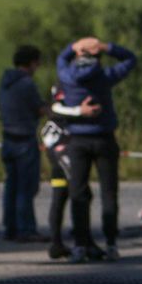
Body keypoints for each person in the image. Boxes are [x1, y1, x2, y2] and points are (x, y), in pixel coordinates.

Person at [57, 36, 137, 263]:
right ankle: (111, 243)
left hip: (78, 140)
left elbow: (61, 59)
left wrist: (74, 47)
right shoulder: (104, 77)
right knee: (109, 192)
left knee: (78, 193)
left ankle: (80, 244)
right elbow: (130, 59)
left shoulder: (67, 77)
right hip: (104, 138)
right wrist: (105, 46)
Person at [40, 86, 102, 259]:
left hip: (58, 165)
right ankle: (83, 242)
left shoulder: (53, 122)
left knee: (59, 200)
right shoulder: (60, 118)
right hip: (64, 162)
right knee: (81, 196)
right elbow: (56, 109)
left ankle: (58, 243)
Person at [0, 45, 48, 243]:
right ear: (32, 62)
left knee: (11, 186)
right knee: (26, 188)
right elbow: (40, 108)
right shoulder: (27, 84)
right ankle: (25, 228)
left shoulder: (6, 82)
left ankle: (10, 227)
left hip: (8, 139)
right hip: (24, 140)